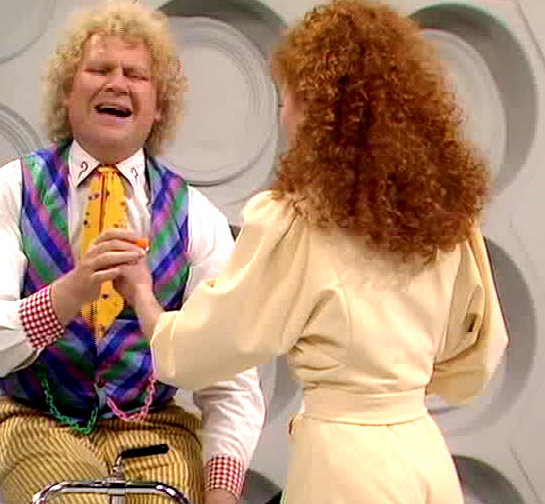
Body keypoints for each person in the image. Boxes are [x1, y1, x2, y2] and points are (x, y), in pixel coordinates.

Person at [105, 1, 509, 502]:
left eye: (286, 97)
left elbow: (194, 351)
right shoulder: (447, 220)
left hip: (348, 473)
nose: (282, 114)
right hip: (427, 462)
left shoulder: (299, 224)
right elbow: (477, 355)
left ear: (317, 109)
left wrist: (143, 295)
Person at [0, 2, 265, 504]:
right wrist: (70, 293)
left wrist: (222, 491)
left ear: (158, 106)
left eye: (135, 74)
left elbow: (230, 377)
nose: (117, 83)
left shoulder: (195, 217)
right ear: (67, 92)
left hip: (154, 425)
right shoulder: (11, 191)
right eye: (99, 69)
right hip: (34, 422)